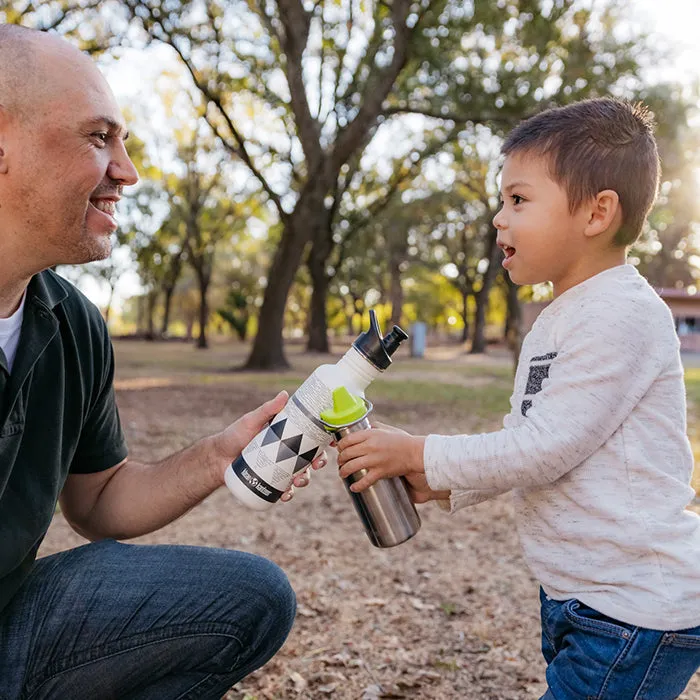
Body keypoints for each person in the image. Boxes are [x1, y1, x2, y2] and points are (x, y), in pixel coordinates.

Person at [0, 25, 326, 699]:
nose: (128, 169)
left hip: (10, 625)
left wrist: (220, 454)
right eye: (99, 137)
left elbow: (99, 501)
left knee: (250, 597)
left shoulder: (73, 324)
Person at [336, 98, 700, 699]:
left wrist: (418, 453)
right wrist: (444, 483)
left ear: (596, 212)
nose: (499, 220)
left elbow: (545, 449)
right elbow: (523, 439)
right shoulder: (557, 319)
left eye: (519, 200)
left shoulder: (623, 315)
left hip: (632, 607)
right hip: (580, 594)